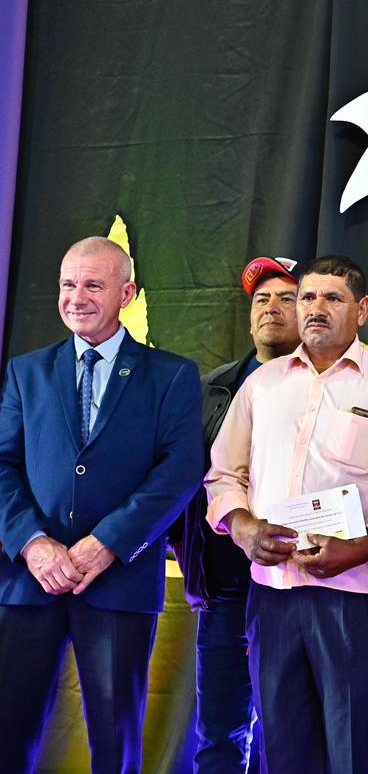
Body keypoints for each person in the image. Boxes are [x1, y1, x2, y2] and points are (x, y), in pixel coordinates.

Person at [205, 254, 368, 771]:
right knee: (281, 748)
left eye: (333, 298)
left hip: (356, 596)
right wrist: (242, 528)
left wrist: (362, 546)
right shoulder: (262, 385)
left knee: (353, 750)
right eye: (307, 296)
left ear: (362, 310)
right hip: (273, 592)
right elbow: (223, 474)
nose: (316, 308)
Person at [0, 236, 204, 772]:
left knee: (116, 743)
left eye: (93, 285)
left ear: (127, 294)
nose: (77, 297)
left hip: (119, 583)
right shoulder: (26, 372)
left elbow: (180, 471)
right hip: (29, 582)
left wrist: (108, 542)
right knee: (7, 731)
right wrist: (33, 543)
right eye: (68, 285)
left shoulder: (172, 375)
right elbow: (2, 465)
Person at [171, 255, 299, 773]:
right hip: (226, 582)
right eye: (261, 299)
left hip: (301, 581)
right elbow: (183, 479)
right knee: (219, 728)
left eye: (287, 298)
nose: (271, 308)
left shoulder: (335, 385)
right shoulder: (212, 388)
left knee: (290, 729)